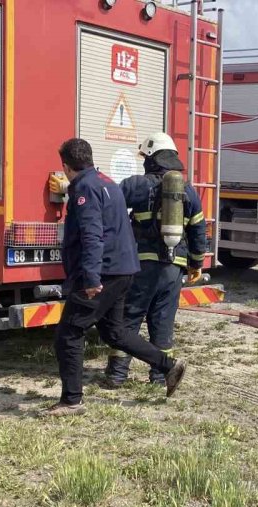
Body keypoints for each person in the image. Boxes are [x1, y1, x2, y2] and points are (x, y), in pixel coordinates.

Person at [47, 138, 187, 416]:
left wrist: (90, 278)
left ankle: (71, 401)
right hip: (125, 270)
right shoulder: (106, 182)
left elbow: (91, 235)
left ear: (65, 166)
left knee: (69, 334)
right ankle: (169, 367)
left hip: (104, 272)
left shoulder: (85, 188)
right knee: (115, 332)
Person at [104, 133, 207, 387]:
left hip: (141, 267)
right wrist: (196, 264)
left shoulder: (135, 185)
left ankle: (117, 375)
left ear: (152, 159)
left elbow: (107, 205)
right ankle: (160, 376)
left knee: (129, 318)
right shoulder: (189, 192)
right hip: (174, 269)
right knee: (163, 321)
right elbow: (198, 230)